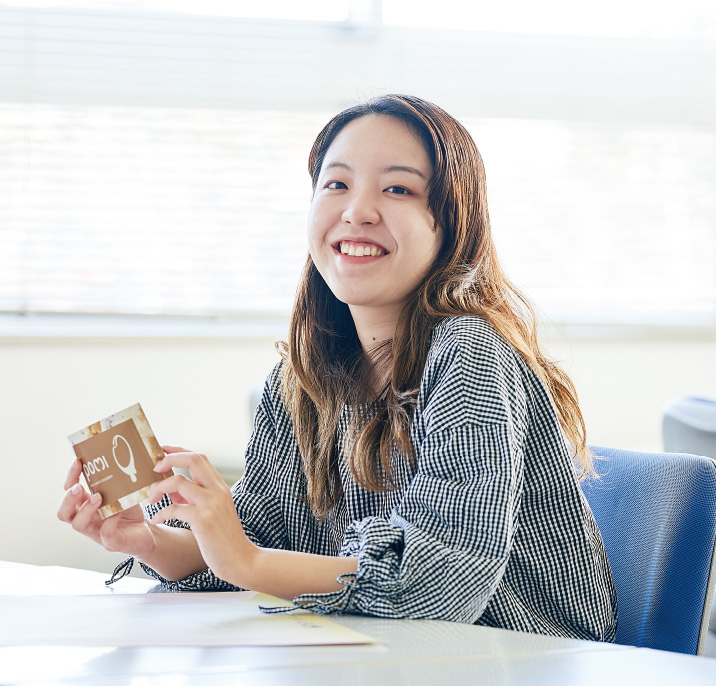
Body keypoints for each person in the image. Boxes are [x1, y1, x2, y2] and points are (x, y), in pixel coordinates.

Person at [58, 94, 617, 641]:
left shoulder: (471, 351)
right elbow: (264, 538)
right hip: (381, 654)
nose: (357, 211)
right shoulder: (304, 372)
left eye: (398, 188)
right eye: (337, 184)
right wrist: (156, 541)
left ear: (450, 223)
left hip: (526, 658)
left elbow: (448, 583)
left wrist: (245, 560)